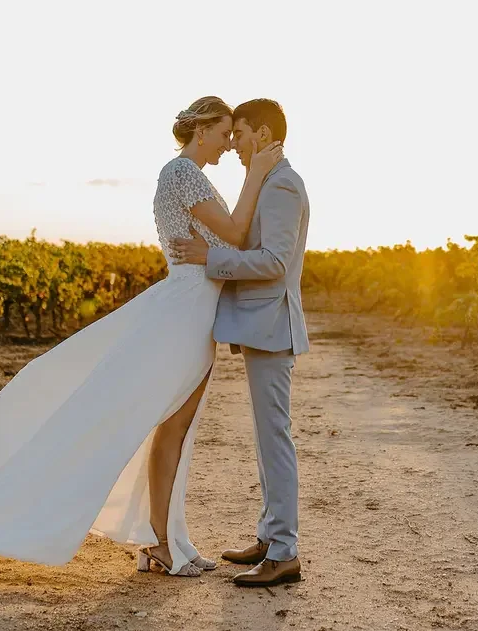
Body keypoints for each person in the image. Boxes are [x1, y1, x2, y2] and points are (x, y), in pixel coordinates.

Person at [0, 96, 282, 578]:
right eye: (226, 133)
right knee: (139, 424)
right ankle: (159, 543)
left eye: (236, 135)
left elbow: (226, 240)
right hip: (183, 315)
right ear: (203, 129)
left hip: (197, 313)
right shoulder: (181, 173)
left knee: (174, 430)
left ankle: (166, 542)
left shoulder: (196, 176)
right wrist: (257, 174)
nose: (230, 144)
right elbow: (232, 230)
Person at [168, 97, 310, 588]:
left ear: (264, 135)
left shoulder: (283, 185)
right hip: (260, 327)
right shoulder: (270, 183)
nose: (236, 148)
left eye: (242, 135)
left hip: (272, 326)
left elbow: (273, 262)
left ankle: (285, 552)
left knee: (275, 439)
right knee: (265, 437)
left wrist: (210, 257)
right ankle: (271, 537)